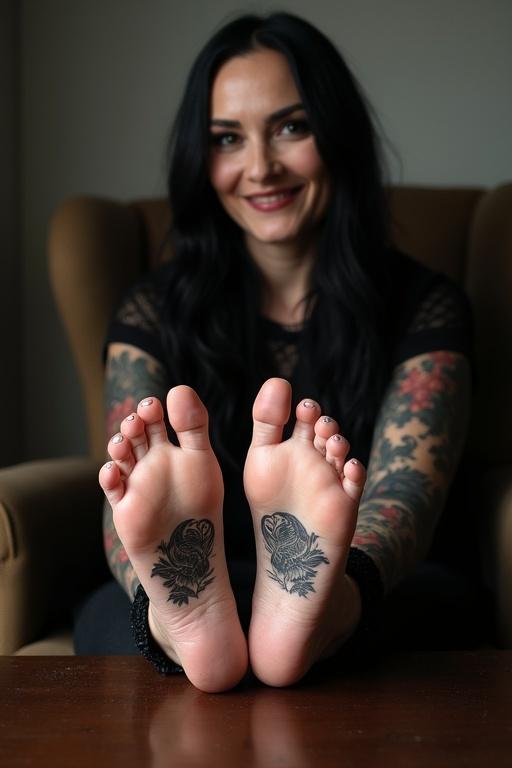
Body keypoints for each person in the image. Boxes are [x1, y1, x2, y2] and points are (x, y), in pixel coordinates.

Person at [75, 13, 473, 692]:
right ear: (201, 163)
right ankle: (181, 621)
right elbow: (124, 493)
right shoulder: (153, 308)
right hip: (214, 574)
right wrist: (166, 583)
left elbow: (408, 494)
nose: (261, 167)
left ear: (337, 134)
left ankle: (323, 609)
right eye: (228, 139)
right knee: (112, 618)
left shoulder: (423, 303)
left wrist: (342, 579)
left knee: (435, 612)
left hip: (370, 579)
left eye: (292, 126)